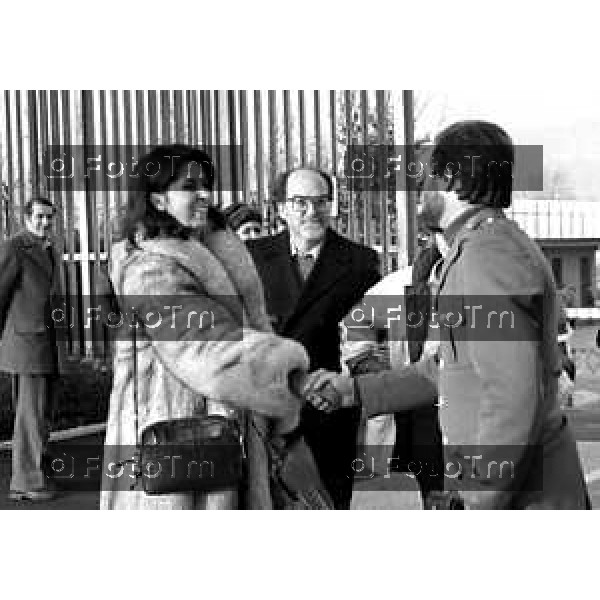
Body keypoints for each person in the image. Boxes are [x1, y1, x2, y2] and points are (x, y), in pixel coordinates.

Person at [304, 121, 591, 509]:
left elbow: (513, 393)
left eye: (426, 178)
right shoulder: (479, 249)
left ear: (453, 176)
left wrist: (476, 497)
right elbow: (449, 367)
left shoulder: (486, 258)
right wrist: (354, 391)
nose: (420, 192)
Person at [100, 145, 310, 510]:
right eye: (189, 186)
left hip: (222, 428)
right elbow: (201, 347)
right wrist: (287, 367)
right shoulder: (149, 268)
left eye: (206, 185)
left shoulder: (212, 249)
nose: (204, 195)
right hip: (176, 437)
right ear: (159, 200)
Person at [246, 167, 381, 509]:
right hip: (266, 406)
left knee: (328, 504)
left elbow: (368, 338)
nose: (312, 211)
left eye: (321, 202)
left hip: (327, 407)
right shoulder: (252, 257)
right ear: (280, 209)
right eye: (300, 202)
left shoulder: (360, 262)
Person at [0, 197, 65, 502]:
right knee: (31, 416)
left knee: (44, 414)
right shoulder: (15, 247)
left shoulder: (50, 249)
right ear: (26, 217)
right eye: (39, 217)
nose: (45, 222)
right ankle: (25, 482)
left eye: (49, 217)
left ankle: (37, 474)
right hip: (26, 345)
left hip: (48, 343)